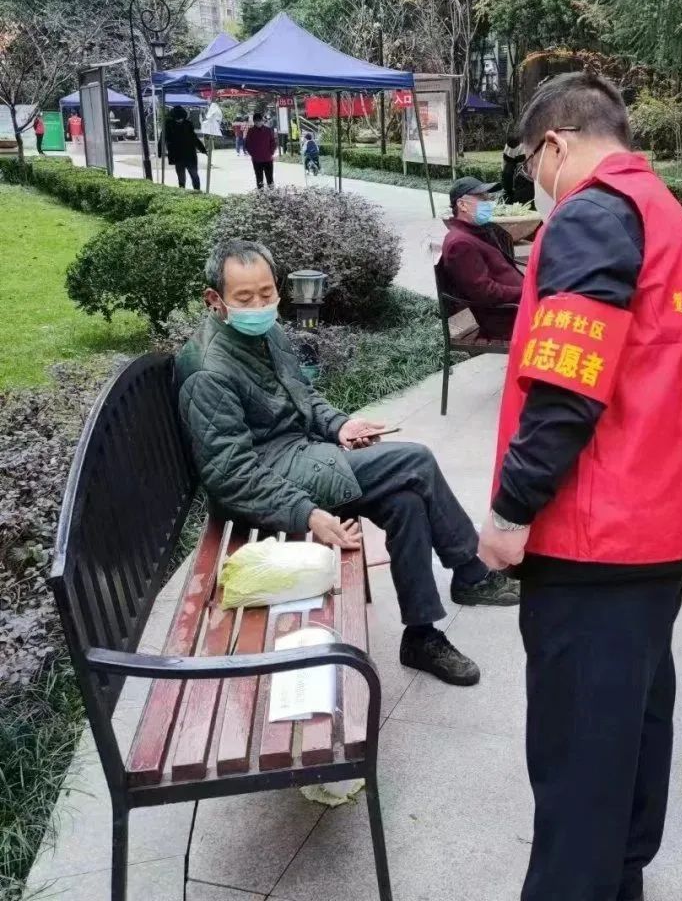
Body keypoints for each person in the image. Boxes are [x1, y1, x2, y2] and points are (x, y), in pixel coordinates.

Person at [478, 72, 682, 901]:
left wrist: (511, 509)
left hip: (598, 540)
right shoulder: (665, 214)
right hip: (658, 530)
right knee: (628, 750)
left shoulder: (592, 215)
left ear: (553, 144)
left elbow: (566, 387)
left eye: (529, 163)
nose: (534, 181)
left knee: (579, 779)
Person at [176, 239, 520, 685]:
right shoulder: (209, 371)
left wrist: (340, 426)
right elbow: (230, 474)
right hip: (269, 481)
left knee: (405, 501)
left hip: (301, 456)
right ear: (215, 300)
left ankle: (421, 636)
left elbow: (304, 395)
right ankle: (470, 573)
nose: (259, 306)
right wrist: (307, 513)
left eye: (266, 293)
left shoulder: (266, 333)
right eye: (245, 298)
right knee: (415, 461)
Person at [439, 176, 523, 341]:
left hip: (518, 308)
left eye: (488, 198)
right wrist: (526, 292)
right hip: (507, 318)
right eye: (482, 198)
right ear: (462, 205)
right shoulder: (460, 243)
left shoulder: (475, 232)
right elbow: (485, 292)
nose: (488, 203)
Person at [161, 105, 206, 191]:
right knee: (181, 178)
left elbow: (194, 138)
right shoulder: (168, 125)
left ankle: (197, 192)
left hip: (190, 154)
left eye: (181, 118)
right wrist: (160, 150)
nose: (179, 120)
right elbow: (163, 138)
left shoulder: (188, 124)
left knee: (194, 175)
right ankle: (182, 193)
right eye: (177, 119)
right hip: (177, 155)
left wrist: (202, 149)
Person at [500, 124, 531, 205]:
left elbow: (507, 172)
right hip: (513, 168)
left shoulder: (524, 144)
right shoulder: (509, 147)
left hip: (524, 177)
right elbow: (506, 166)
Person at [244, 112, 276, 189]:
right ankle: (261, 194)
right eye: (256, 121)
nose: (258, 123)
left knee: (270, 178)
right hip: (257, 160)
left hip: (268, 158)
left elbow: (273, 142)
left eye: (259, 121)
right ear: (254, 122)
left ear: (262, 121)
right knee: (259, 179)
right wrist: (253, 154)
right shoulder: (251, 131)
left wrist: (271, 152)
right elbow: (247, 144)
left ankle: (272, 193)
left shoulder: (268, 130)